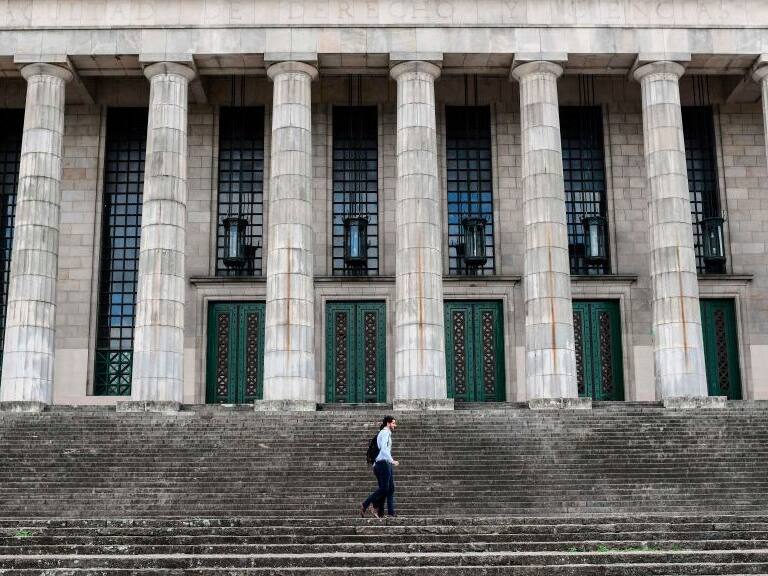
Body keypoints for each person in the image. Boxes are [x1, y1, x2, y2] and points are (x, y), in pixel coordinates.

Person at [361, 416, 398, 518]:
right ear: (388, 423)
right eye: (393, 423)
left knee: (390, 489)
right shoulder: (385, 433)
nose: (395, 425)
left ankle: (390, 513)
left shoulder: (386, 433)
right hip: (382, 463)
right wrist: (392, 460)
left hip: (385, 463)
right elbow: (384, 449)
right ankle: (366, 504)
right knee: (384, 489)